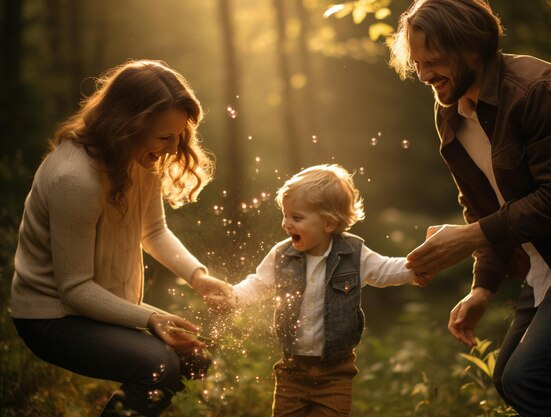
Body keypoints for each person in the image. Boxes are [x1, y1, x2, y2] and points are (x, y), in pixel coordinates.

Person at [387, 1, 551, 416]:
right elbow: (479, 205)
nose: (424, 76)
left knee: (528, 379)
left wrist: (467, 239)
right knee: (507, 380)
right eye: (418, 63)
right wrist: (484, 286)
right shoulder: (449, 112)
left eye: (435, 62)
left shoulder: (540, 90)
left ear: (473, 48)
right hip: (543, 258)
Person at [10, 59, 232, 417]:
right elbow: (75, 288)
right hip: (52, 317)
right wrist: (149, 319)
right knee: (159, 365)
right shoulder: (75, 178)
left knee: (194, 359)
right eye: (165, 137)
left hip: (95, 303)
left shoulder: (141, 158)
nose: (173, 148)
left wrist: (199, 278)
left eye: (178, 136)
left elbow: (154, 231)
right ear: (128, 125)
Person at [204, 164, 424, 417]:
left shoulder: (353, 255)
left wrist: (418, 268)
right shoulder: (282, 255)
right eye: (285, 215)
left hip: (335, 372)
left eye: (297, 218)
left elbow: (385, 270)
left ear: (328, 223)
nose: (287, 224)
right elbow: (259, 283)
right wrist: (234, 296)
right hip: (292, 370)